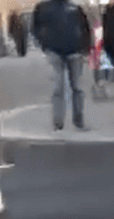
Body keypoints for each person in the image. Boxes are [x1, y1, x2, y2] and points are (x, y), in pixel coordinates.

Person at [32, 0, 92, 131]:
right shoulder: (42, 7)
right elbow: (35, 27)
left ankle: (78, 120)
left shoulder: (75, 7)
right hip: (54, 51)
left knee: (77, 87)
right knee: (57, 87)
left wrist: (85, 48)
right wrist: (44, 44)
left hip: (75, 51)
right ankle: (58, 122)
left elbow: (85, 27)